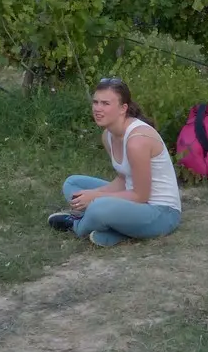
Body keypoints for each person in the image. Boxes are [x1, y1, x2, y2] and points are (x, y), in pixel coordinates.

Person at [48, 78, 183, 247]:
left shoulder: (137, 140)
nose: (98, 108)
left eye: (105, 103)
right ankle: (116, 230)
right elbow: (122, 180)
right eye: (95, 102)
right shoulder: (108, 136)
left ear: (123, 108)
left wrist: (95, 197)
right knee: (73, 183)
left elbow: (141, 196)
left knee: (99, 207)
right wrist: (89, 195)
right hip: (131, 202)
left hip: (161, 213)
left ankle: (77, 225)